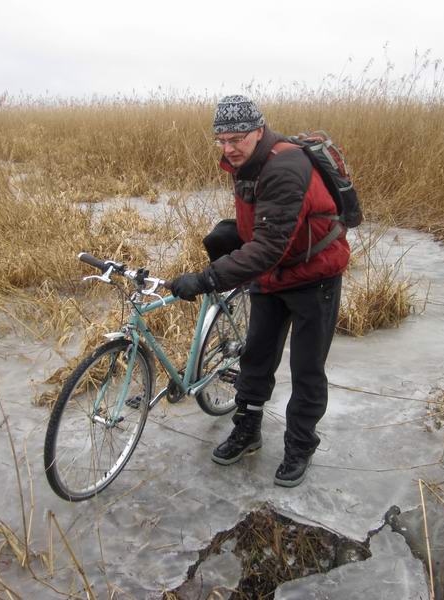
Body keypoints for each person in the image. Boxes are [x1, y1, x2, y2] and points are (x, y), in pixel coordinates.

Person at [169, 95, 350, 487]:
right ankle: (247, 430)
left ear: (259, 130)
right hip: (271, 276)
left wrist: (207, 278)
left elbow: (269, 246)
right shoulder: (246, 162)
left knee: (306, 367)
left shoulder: (285, 164)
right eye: (221, 140)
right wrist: (231, 237)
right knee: (255, 356)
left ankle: (300, 444)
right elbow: (266, 225)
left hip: (313, 275)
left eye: (236, 138)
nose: (228, 148)